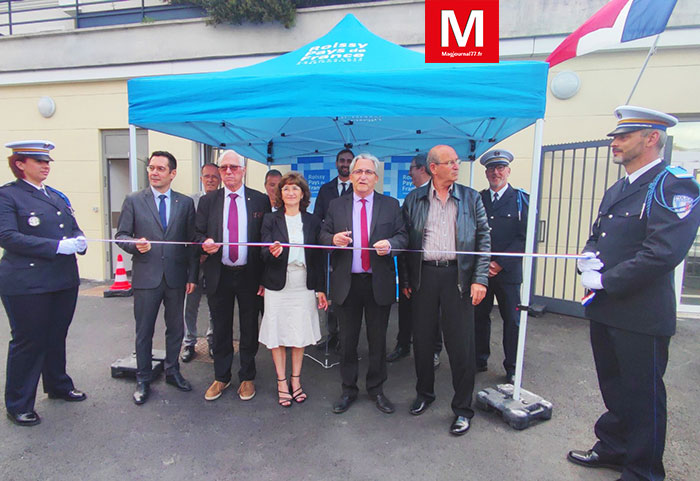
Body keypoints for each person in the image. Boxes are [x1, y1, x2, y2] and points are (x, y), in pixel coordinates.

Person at [568, 106, 700, 481]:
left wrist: (608, 280)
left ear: (651, 137)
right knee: (613, 386)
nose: (615, 142)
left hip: (641, 314)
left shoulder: (673, 184)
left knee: (643, 396)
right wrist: (587, 259)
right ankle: (614, 448)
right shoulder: (620, 187)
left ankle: (643, 470)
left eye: (624, 136)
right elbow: (599, 235)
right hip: (607, 308)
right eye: (615, 136)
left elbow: (663, 252)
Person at [401, 144, 490, 436]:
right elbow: (406, 243)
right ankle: (424, 394)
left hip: (459, 277)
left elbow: (483, 241)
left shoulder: (471, 198)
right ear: (432, 168)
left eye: (457, 161)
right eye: (449, 162)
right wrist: (406, 280)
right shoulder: (413, 199)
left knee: (461, 346)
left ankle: (463, 409)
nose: (456, 166)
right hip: (424, 277)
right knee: (423, 342)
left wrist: (480, 279)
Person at [0, 140, 88, 426]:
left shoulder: (55, 195)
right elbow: (8, 236)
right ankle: (19, 402)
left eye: (47, 161)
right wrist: (55, 246)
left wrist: (79, 240)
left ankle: (58, 384)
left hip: (62, 279)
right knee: (29, 341)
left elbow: (71, 225)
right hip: (28, 281)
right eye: (38, 161)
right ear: (20, 164)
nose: (45, 165)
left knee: (55, 336)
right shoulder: (8, 196)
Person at [319, 152, 407, 415]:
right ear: (351, 175)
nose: (363, 176)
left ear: (376, 178)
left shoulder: (391, 205)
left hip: (378, 282)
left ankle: (376, 389)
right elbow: (321, 235)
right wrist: (332, 240)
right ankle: (348, 389)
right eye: (358, 171)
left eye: (368, 172)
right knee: (347, 341)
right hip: (347, 283)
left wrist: (391, 245)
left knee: (378, 340)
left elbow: (404, 237)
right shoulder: (337, 205)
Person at [116, 151, 198, 405]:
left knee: (175, 328)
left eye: (161, 169)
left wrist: (192, 275)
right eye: (151, 168)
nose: (154, 172)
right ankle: (143, 378)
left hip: (175, 277)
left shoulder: (185, 204)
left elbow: (191, 242)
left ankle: (173, 371)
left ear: (173, 173)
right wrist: (133, 244)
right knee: (144, 330)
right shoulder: (134, 200)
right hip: (146, 276)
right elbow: (121, 236)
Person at [196, 150, 270, 402]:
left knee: (249, 327)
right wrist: (203, 242)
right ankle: (222, 377)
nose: (228, 172)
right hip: (220, 273)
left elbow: (265, 239)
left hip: (249, 274)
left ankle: (247, 377)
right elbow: (196, 233)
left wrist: (264, 278)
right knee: (221, 328)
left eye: (233, 167)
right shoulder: (208, 201)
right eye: (224, 167)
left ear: (243, 170)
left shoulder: (259, 201)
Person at [259, 172, 328, 407]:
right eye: (286, 188)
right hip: (277, 284)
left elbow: (318, 258)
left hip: (303, 283)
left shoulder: (312, 221)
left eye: (295, 189)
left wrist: (320, 289)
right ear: (280, 193)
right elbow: (262, 252)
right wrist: (272, 252)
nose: (290, 192)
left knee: (299, 335)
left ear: (302, 194)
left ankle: (295, 380)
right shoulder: (270, 219)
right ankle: (281, 381)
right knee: (277, 334)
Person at [474, 149, 528, 384]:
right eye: (491, 169)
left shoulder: (521, 200)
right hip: (482, 272)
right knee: (479, 317)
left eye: (500, 168)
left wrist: (499, 263)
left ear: (508, 171)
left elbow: (525, 237)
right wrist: (484, 265)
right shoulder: (479, 199)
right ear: (486, 173)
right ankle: (479, 358)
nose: (496, 172)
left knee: (512, 320)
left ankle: (512, 366)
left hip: (508, 273)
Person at [390, 153, 443, 369]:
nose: (409, 173)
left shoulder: (441, 195)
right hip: (410, 266)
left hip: (433, 267)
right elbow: (404, 236)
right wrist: (404, 277)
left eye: (412, 168)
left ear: (422, 169)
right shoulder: (411, 199)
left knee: (433, 313)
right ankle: (403, 345)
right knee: (406, 307)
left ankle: (434, 350)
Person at [313, 148, 354, 350]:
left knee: (348, 297)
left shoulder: (359, 188)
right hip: (330, 251)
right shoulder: (325, 189)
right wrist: (329, 239)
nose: (345, 164)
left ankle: (347, 337)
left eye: (348, 161)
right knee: (331, 294)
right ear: (336, 163)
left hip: (351, 251)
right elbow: (317, 218)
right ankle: (333, 334)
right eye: (342, 160)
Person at [181, 163, 221, 363]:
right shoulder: (190, 202)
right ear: (201, 178)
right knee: (191, 302)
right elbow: (188, 231)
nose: (211, 179)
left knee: (215, 302)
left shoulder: (223, 199)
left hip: (217, 260)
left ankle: (212, 339)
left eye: (215, 176)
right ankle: (189, 342)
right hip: (194, 260)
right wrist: (199, 252)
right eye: (207, 176)